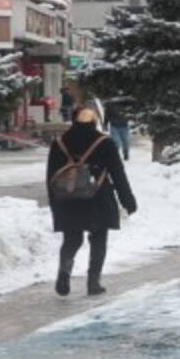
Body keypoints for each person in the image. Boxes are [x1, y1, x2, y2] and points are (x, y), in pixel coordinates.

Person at [46, 106, 136, 296]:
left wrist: (53, 202)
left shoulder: (60, 142)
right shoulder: (104, 142)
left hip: (67, 198)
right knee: (98, 239)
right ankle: (93, 283)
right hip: (98, 198)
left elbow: (51, 176)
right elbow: (118, 174)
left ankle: (64, 273)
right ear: (94, 121)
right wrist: (128, 200)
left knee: (71, 240)